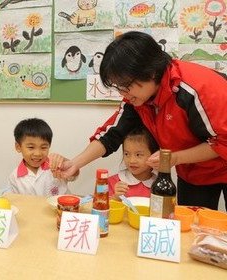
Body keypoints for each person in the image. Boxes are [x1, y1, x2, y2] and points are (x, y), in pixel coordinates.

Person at [51, 31, 227, 210]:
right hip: (194, 172)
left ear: (150, 72)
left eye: (126, 86)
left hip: (217, 160)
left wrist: (174, 158)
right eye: (118, 87)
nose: (123, 94)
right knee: (193, 227)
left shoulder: (197, 88)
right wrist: (75, 164)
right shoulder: (138, 98)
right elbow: (112, 133)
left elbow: (224, 141)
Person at [8, 118, 78, 196]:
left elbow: (74, 174)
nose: (38, 153)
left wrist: (66, 162)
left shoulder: (56, 165)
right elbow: (15, 201)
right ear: (18, 147)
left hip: (63, 207)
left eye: (43, 147)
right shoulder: (14, 177)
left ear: (49, 146)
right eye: (31, 147)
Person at [109, 126, 159, 200]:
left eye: (138, 155)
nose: (131, 161)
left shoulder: (160, 186)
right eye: (126, 154)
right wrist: (115, 198)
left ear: (154, 154)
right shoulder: (112, 182)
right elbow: (100, 208)